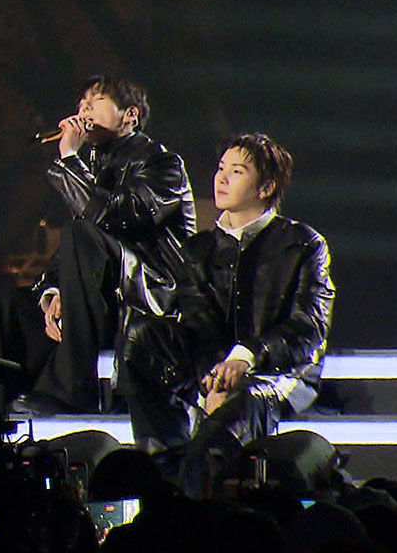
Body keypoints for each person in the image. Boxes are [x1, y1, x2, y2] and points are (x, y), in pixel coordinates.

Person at [0, 75, 196, 415]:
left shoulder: (162, 164)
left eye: (95, 102)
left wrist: (70, 158)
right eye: (81, 104)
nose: (84, 111)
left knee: (80, 232)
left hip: (144, 300)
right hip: (94, 303)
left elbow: (113, 218)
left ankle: (71, 388)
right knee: (2, 305)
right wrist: (55, 291)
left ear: (130, 115)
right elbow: (73, 254)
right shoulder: (95, 167)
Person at [120, 133, 334, 497]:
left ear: (266, 187)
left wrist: (246, 357)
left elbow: (308, 326)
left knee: (227, 425)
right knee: (143, 335)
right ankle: (164, 466)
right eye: (221, 168)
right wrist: (214, 380)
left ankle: (195, 496)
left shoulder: (302, 243)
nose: (221, 178)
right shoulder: (198, 249)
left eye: (237, 171)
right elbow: (198, 324)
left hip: (276, 373)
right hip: (215, 372)